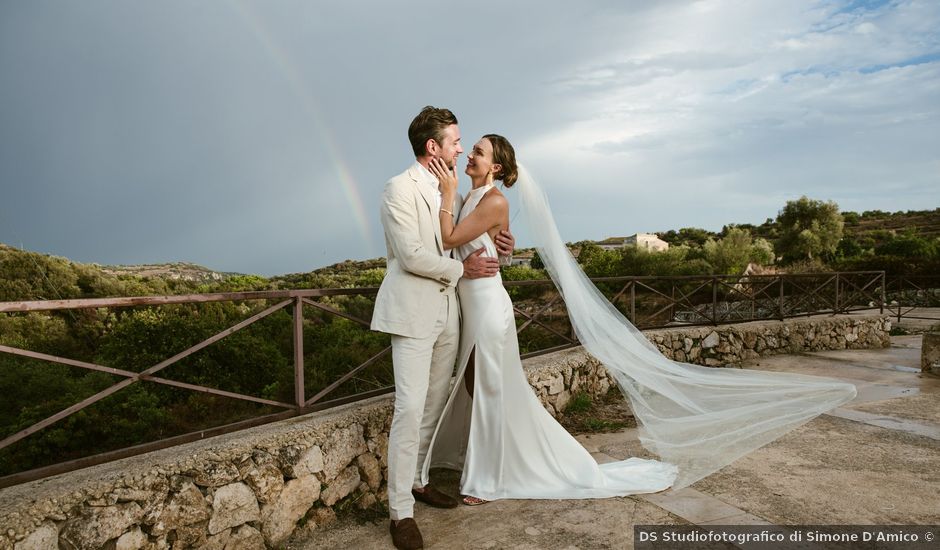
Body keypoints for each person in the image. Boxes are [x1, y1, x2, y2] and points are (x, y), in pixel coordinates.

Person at [423, 133, 857, 505]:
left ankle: (488, 479)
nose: (469, 156)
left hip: (487, 307)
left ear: (495, 165)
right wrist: (501, 247)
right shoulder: (471, 196)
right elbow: (484, 248)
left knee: (491, 389)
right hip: (472, 302)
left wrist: (446, 195)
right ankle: (487, 460)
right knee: (477, 386)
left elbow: (449, 236)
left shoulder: (492, 198)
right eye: (470, 149)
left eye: (476, 151)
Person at [370, 107, 514, 550]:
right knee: (409, 409)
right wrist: (462, 270)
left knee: (433, 403)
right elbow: (412, 256)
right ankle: (400, 514)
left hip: (449, 315)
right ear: (433, 147)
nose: (460, 148)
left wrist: (504, 245)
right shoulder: (399, 188)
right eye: (455, 141)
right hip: (412, 314)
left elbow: (480, 233)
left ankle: (418, 479)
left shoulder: (453, 190)